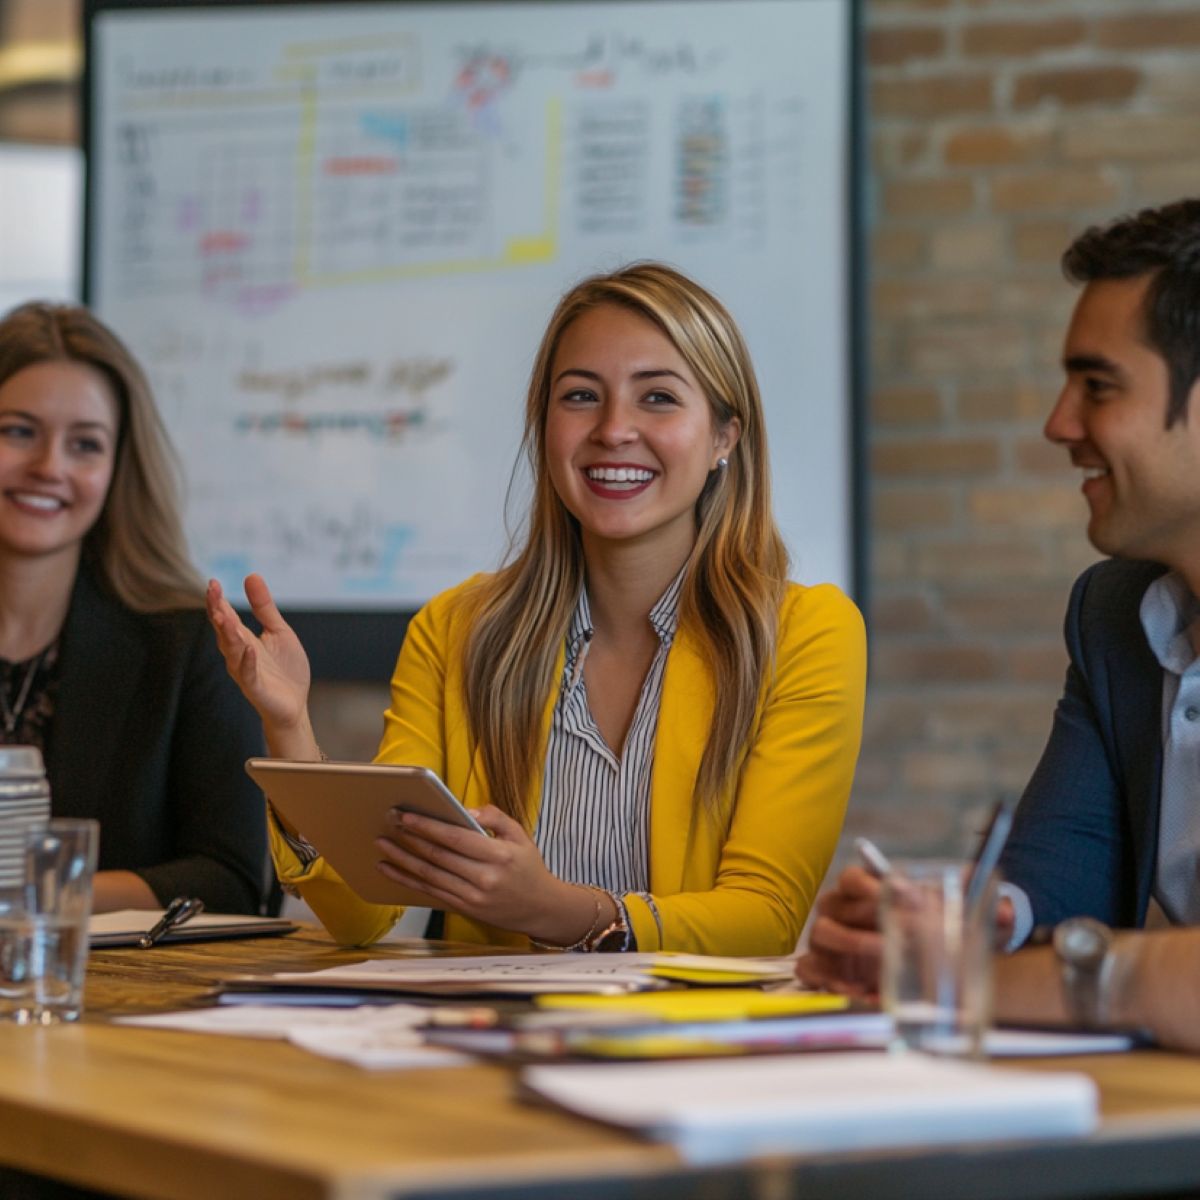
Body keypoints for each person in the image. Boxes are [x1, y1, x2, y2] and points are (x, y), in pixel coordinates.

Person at [209, 262, 866, 953]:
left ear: (724, 438)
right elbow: (365, 914)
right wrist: (292, 733)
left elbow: (761, 920)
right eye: (581, 396)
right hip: (487, 1042)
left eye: (659, 399)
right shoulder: (457, 629)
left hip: (690, 1049)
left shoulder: (803, 634)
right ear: (545, 425)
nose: (614, 429)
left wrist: (551, 908)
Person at [797, 196, 1200, 995]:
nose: (1058, 424)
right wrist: (971, 921)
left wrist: (966, 981)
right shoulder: (1115, 616)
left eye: (1097, 385)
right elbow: (1062, 870)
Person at [0, 302, 268, 914]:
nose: (49, 467)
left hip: (113, 998)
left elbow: (234, 879)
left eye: (85, 444)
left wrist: (37, 898)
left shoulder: (186, 645)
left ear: (118, 467)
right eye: (18, 431)